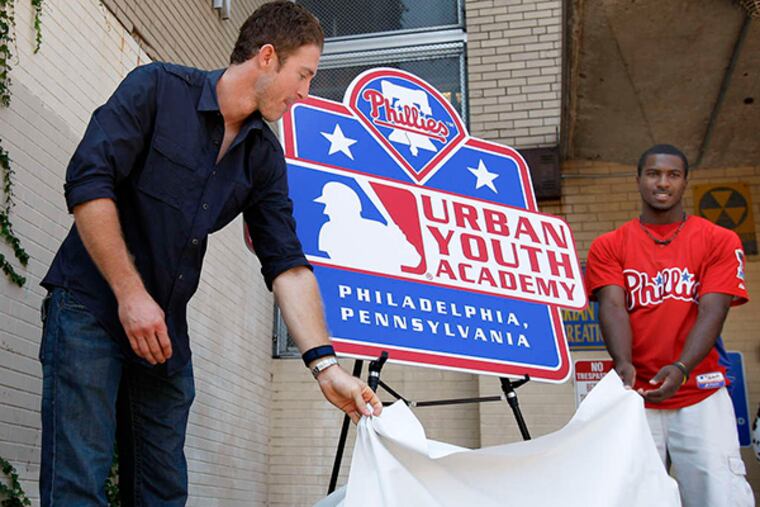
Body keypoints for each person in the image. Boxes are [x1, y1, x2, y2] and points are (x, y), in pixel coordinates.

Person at [38, 2, 381, 505]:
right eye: (304, 75)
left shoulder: (263, 156)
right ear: (267, 57)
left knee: (163, 492)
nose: (306, 93)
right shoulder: (156, 89)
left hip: (164, 335)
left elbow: (285, 261)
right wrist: (130, 294)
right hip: (90, 307)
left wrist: (325, 366)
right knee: (77, 486)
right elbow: (89, 182)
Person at [585, 144, 754, 507]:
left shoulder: (719, 240)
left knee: (720, 496)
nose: (663, 183)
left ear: (684, 182)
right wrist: (622, 362)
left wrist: (681, 367)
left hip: (701, 394)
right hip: (636, 399)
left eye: (673, 175)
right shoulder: (609, 245)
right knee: (636, 498)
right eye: (654, 173)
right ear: (638, 180)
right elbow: (613, 306)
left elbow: (713, 310)